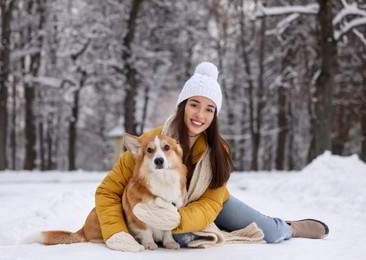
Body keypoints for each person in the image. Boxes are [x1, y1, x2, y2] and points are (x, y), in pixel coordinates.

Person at [95, 62, 329, 252]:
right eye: (194, 105)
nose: (200, 115)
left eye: (209, 109)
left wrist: (177, 219)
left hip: (211, 204)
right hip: (166, 207)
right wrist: (116, 232)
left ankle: (291, 227)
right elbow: (108, 190)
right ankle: (213, 229)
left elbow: (211, 202)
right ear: (183, 106)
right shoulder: (151, 143)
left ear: (215, 115)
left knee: (270, 233)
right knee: (187, 238)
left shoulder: (218, 150)